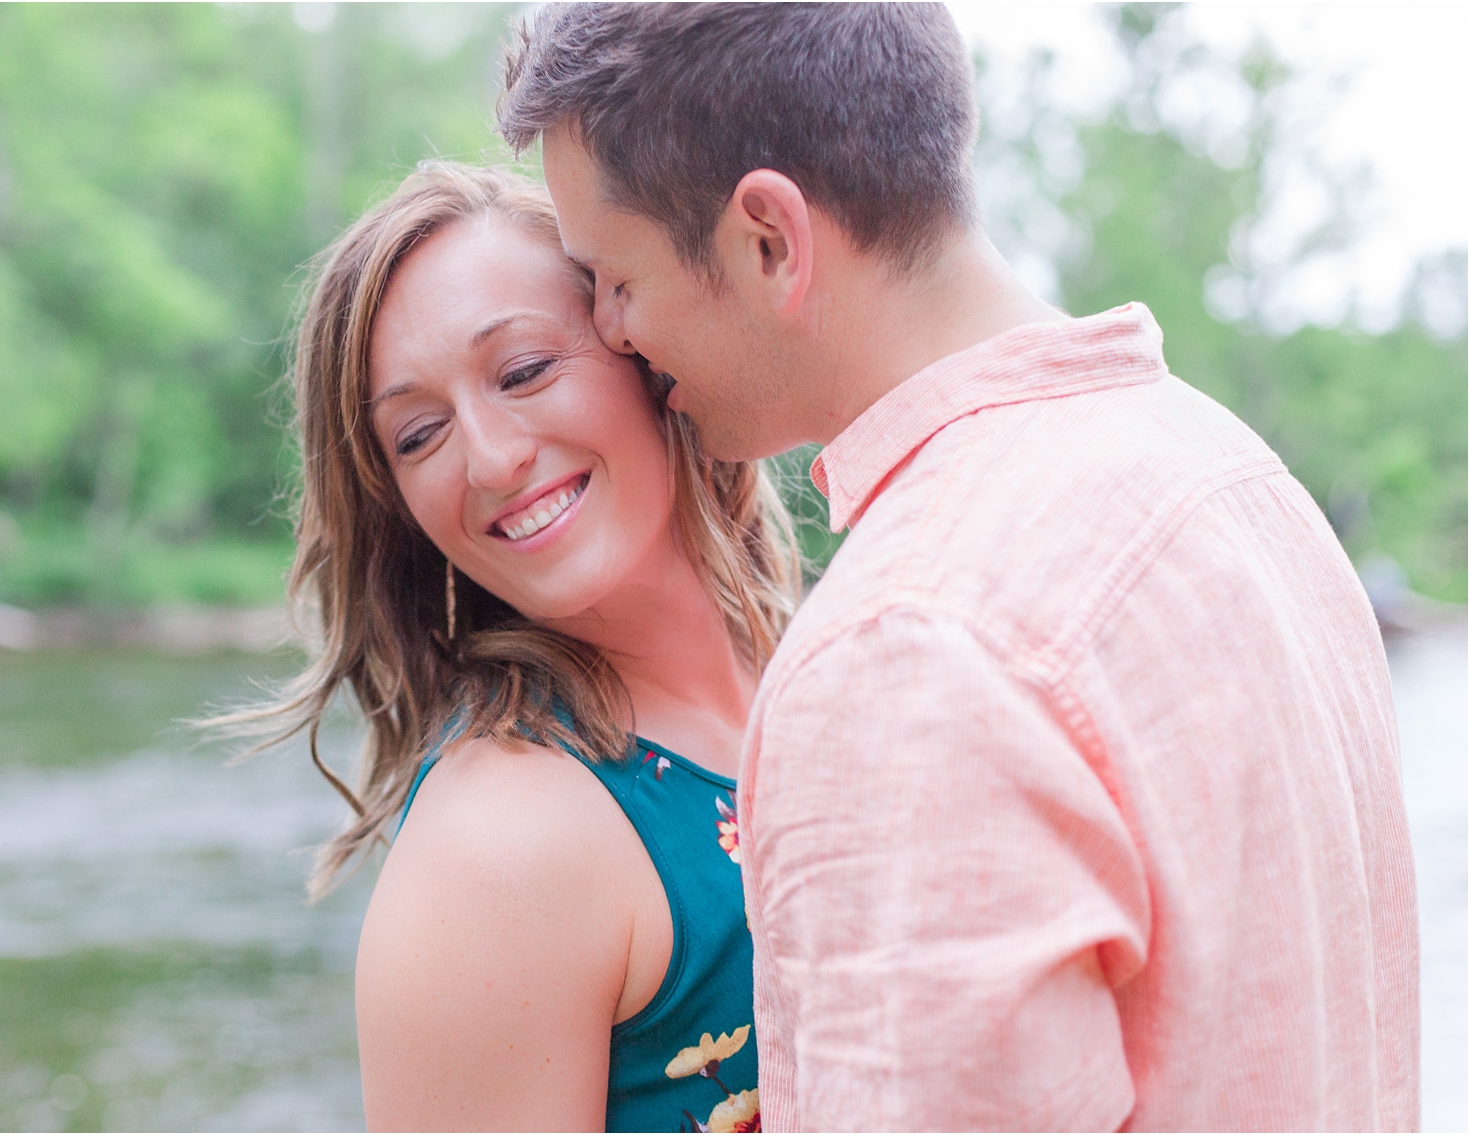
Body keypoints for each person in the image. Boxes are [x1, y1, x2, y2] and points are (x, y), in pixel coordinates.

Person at [499, 4, 1421, 1131]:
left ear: (768, 241)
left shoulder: (904, 650)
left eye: (616, 277)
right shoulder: (1234, 477)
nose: (609, 329)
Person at [241, 162, 795, 1131]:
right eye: (417, 435)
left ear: (642, 346)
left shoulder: (826, 661)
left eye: (525, 371)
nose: (491, 459)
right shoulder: (499, 847)